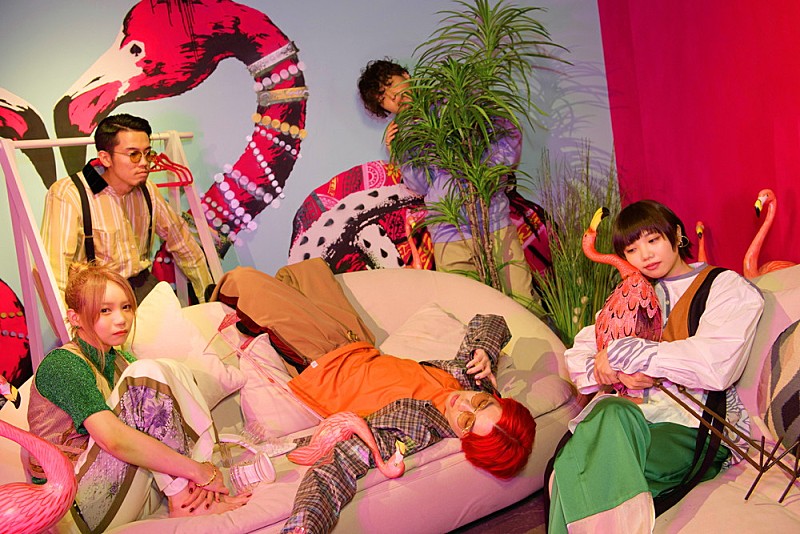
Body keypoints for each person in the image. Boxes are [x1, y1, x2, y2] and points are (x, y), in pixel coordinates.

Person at [548, 200, 764, 532]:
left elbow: (716, 364)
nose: (646, 255)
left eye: (653, 240)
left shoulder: (723, 286)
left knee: (574, 463)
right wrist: (613, 371)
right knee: (601, 423)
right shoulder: (632, 294)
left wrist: (627, 353)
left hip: (694, 430)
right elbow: (582, 354)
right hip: (631, 426)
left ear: (676, 235)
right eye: (632, 250)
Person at [26, 264, 249, 533]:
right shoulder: (63, 364)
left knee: (172, 370)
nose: (121, 319)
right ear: (75, 318)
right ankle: (185, 496)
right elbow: (113, 440)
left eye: (126, 307)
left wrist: (198, 471)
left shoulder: (120, 359)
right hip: (72, 510)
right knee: (147, 372)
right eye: (105, 310)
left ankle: (197, 496)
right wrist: (196, 471)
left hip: (126, 495)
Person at [279, 312, 536, 534]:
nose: (464, 403)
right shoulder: (472, 380)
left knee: (255, 284)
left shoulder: (416, 428)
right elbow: (491, 321)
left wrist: (303, 527)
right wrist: (485, 352)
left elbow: (341, 463)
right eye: (480, 402)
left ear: (465, 440)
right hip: (357, 342)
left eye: (467, 420)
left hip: (326, 362)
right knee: (304, 275)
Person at [357, 59, 535, 305]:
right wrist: (398, 150)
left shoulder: (453, 98)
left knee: (523, 303)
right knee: (466, 311)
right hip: (447, 231)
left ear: (406, 75)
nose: (394, 97)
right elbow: (420, 186)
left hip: (491, 219)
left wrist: (488, 174)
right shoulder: (403, 132)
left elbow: (507, 129)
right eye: (384, 98)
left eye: (391, 85)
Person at [41, 113, 213, 305]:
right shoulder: (69, 194)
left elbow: (183, 243)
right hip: (96, 296)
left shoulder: (148, 190)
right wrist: (69, 320)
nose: (144, 163)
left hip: (142, 286)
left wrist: (208, 298)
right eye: (134, 155)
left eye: (148, 153)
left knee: (177, 319)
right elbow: (53, 274)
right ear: (105, 158)